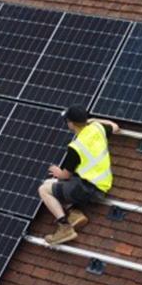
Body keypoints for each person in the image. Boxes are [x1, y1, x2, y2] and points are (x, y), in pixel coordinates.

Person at [38, 105, 119, 246]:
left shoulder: (76, 147)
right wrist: (93, 120)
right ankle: (74, 213)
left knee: (43, 189)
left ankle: (64, 227)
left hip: (88, 190)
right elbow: (115, 126)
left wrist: (57, 171)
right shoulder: (98, 128)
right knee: (49, 184)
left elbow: (65, 176)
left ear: (71, 123)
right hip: (102, 184)